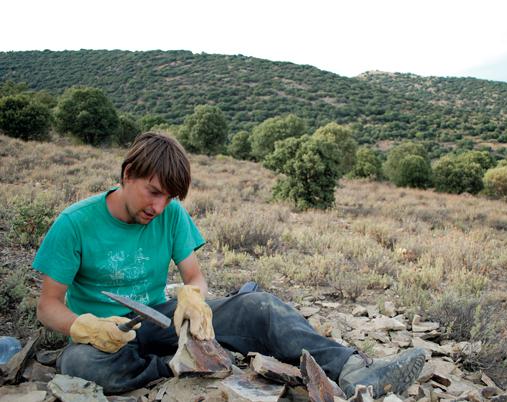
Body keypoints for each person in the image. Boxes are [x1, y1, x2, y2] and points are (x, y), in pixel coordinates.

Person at [33, 132, 425, 398]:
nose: (159, 207)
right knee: (79, 362)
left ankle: (354, 371)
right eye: (153, 192)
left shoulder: (169, 214)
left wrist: (192, 299)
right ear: (127, 174)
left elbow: (195, 277)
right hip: (108, 335)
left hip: (161, 319)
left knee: (259, 306)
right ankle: (180, 366)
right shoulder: (75, 223)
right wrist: (82, 325)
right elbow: (48, 305)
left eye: (169, 197)